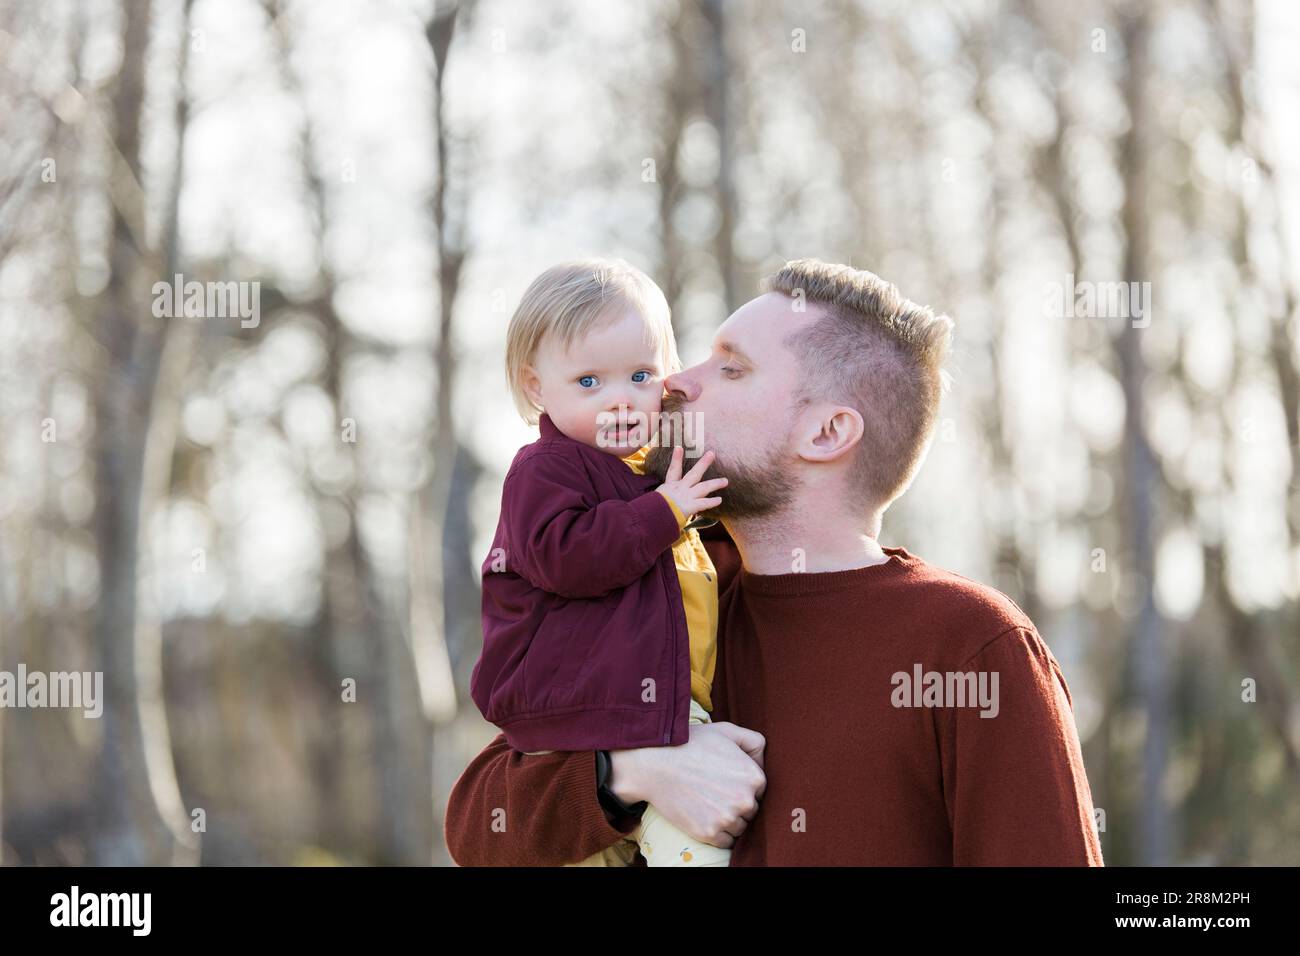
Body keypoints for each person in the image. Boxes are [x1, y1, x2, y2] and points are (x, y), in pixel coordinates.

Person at [447, 258, 1105, 867]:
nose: (674, 382)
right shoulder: (664, 592)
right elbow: (480, 819)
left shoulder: (972, 645)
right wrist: (630, 774)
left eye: (731, 369)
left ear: (826, 433)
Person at [470, 258, 733, 866]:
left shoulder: (647, 473)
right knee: (688, 841)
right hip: (590, 714)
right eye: (589, 382)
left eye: (640, 376)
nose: (620, 400)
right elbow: (566, 557)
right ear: (537, 387)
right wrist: (665, 513)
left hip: (649, 707)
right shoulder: (545, 469)